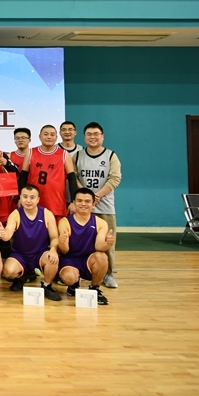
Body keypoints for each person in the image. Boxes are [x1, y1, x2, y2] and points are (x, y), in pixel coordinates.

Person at [75, 122, 122, 289]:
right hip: (82, 207)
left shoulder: (111, 155)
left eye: (96, 134)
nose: (92, 137)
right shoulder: (78, 156)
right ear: (84, 137)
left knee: (107, 241)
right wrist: (86, 197)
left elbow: (115, 178)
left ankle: (108, 273)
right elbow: (73, 177)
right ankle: (82, 271)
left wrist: (97, 196)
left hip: (105, 207)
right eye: (89, 134)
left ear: (102, 136)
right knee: (80, 240)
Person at [0, 185, 62, 301]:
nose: (28, 200)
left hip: (40, 254)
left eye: (32, 197)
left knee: (52, 259)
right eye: (25, 197)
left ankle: (47, 285)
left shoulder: (47, 214)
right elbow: (7, 235)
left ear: (38, 199)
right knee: (8, 271)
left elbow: (54, 237)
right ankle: (23, 276)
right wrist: (3, 235)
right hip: (20, 255)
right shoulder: (15, 214)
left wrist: (53, 250)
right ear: (20, 198)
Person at [57, 188, 114, 305]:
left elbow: (99, 247)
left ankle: (95, 289)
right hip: (70, 260)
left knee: (102, 257)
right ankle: (73, 285)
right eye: (79, 201)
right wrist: (62, 242)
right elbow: (65, 250)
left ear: (93, 204)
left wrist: (107, 243)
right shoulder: (64, 222)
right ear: (74, 203)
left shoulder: (101, 223)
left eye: (87, 201)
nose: (83, 204)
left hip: (89, 260)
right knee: (69, 277)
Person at [19, 125, 78, 221]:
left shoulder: (64, 154)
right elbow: (23, 177)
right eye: (46, 134)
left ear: (56, 137)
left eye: (52, 134)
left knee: (56, 230)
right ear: (39, 137)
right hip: (33, 203)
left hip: (56, 204)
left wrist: (73, 201)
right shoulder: (31, 152)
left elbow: (72, 179)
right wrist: (20, 198)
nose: (49, 137)